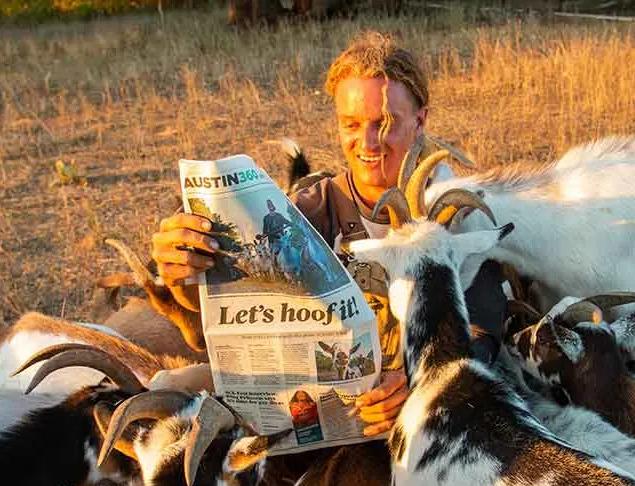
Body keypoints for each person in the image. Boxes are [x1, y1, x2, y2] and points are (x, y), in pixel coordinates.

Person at [151, 31, 506, 437]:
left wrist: (422, 381)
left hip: (416, 417)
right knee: (166, 392)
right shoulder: (309, 208)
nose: (367, 143)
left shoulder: (451, 209)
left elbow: (485, 326)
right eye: (351, 125)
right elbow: (210, 326)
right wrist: (183, 270)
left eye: (385, 123)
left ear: (420, 121)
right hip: (317, 405)